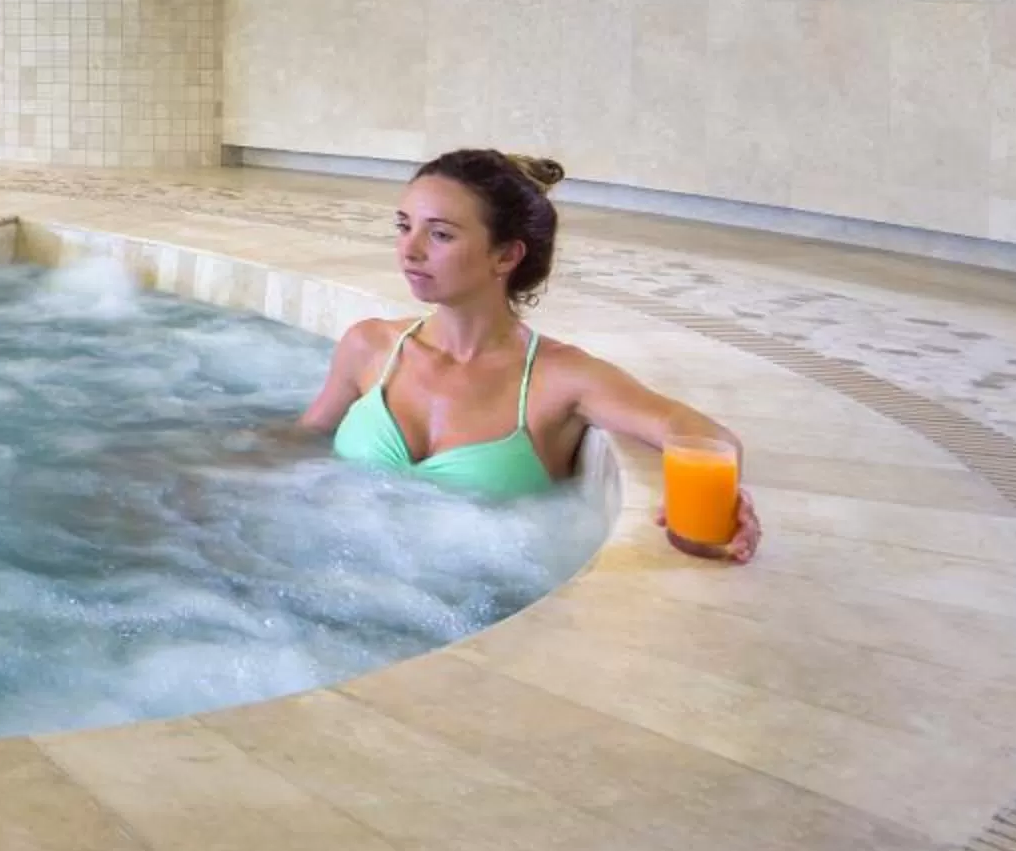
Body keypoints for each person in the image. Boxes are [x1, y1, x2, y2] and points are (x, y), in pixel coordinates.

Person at [298, 147, 760, 560]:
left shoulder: (560, 378)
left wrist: (718, 500)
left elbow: (697, 432)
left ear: (505, 257)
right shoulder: (370, 346)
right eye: (404, 226)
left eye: (440, 235)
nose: (409, 250)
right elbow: (303, 439)